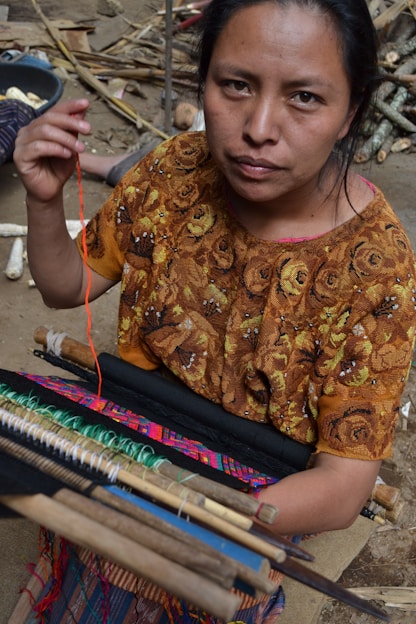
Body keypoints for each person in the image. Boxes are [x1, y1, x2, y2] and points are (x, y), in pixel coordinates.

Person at [12, 0, 416, 621]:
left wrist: (199, 513)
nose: (258, 126)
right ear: (206, 82)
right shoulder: (174, 171)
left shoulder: (376, 267)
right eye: (236, 85)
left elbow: (341, 487)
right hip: (127, 439)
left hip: (252, 491)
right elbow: (67, 287)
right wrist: (45, 202)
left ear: (352, 111)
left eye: (304, 97)